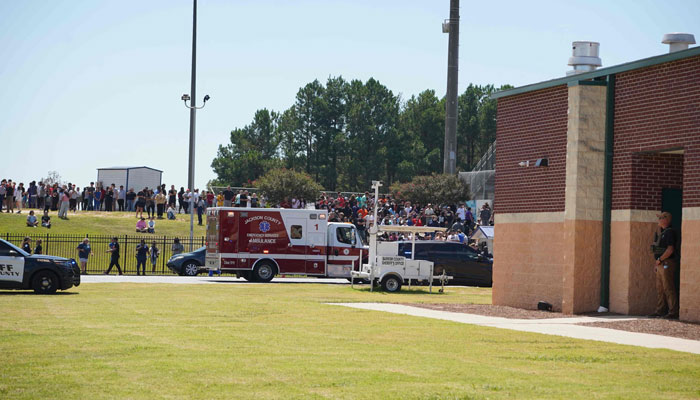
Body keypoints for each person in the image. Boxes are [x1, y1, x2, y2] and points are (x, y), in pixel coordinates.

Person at [649, 211, 679, 319]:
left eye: (661, 218)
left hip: (667, 263)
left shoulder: (670, 232)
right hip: (660, 263)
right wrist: (656, 263)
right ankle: (660, 310)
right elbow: (657, 249)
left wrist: (660, 259)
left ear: (666, 220)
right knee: (660, 288)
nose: (659, 220)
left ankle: (673, 311)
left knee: (668, 287)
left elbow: (670, 249)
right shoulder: (661, 232)